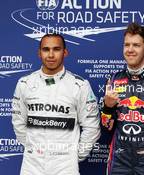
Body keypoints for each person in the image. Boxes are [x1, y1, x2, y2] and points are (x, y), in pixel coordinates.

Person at [12, 33, 101, 175]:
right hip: (31, 165)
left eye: (56, 49)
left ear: (65, 52)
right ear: (39, 53)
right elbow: (19, 123)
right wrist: (33, 149)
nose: (51, 54)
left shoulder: (79, 85)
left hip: (65, 167)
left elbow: (92, 127)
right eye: (46, 49)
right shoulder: (25, 83)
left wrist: (73, 156)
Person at [101, 23, 144, 175]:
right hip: (119, 160)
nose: (130, 50)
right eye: (127, 45)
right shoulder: (113, 80)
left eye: (136, 45)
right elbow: (106, 127)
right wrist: (107, 107)